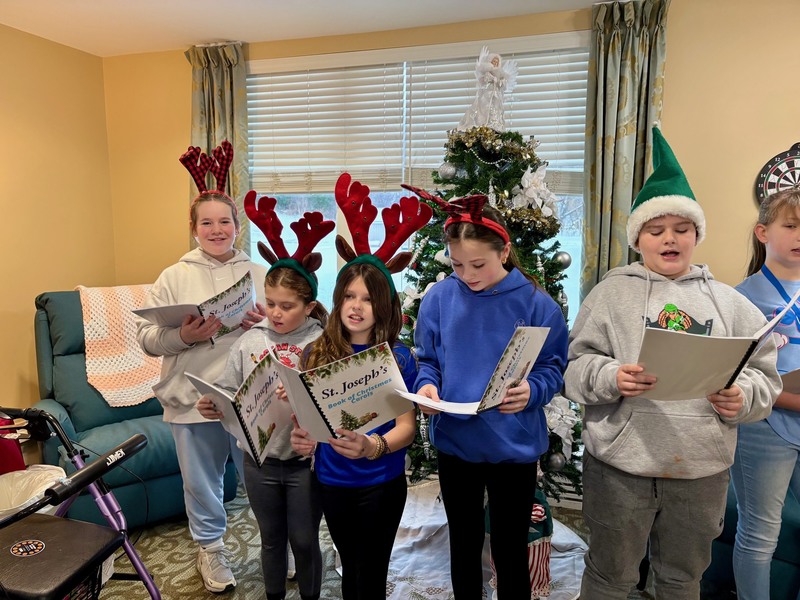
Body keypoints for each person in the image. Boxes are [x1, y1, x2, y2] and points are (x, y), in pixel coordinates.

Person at [562, 127, 782, 599]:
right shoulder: (609, 295)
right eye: (656, 230)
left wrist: (741, 397)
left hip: (700, 469)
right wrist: (611, 376)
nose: (670, 239)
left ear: (696, 235)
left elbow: (766, 379)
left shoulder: (731, 305)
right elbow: (575, 370)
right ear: (637, 237)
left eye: (682, 230)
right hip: (619, 466)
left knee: (682, 579)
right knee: (609, 576)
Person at [405, 185, 569, 600]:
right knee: (461, 542)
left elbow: (553, 367)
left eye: (478, 263)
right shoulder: (439, 298)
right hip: (456, 441)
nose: (468, 274)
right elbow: (429, 359)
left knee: (509, 546)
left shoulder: (538, 305)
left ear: (505, 251)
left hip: (513, 445)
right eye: (458, 265)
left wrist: (531, 391)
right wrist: (427, 385)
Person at [290, 173, 431, 600]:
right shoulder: (316, 352)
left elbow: (406, 427)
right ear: (338, 299)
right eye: (350, 295)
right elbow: (311, 423)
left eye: (368, 298)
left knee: (372, 574)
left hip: (381, 483)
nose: (356, 306)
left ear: (383, 305)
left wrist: (376, 447)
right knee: (351, 568)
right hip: (332, 482)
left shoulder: (399, 357)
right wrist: (304, 439)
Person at [137, 142, 267, 594]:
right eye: (206, 222)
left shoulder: (258, 271)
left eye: (225, 221)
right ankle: (210, 547)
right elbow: (148, 339)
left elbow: (287, 324)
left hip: (250, 393)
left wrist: (264, 321)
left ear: (237, 225)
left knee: (265, 474)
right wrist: (184, 337)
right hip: (192, 393)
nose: (217, 229)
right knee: (202, 481)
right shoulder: (173, 276)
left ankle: (278, 543)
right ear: (193, 228)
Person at [197, 194, 335, 600]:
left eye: (287, 306)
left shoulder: (322, 341)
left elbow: (333, 403)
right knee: (271, 541)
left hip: (304, 464)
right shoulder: (250, 340)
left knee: (305, 541)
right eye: (270, 303)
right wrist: (213, 404)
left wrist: (299, 398)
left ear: (309, 307)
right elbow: (228, 391)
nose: (275, 313)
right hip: (258, 461)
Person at [731, 185, 800, 600]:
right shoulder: (740, 299)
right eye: (790, 225)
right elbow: (732, 377)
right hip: (765, 425)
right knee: (759, 532)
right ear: (763, 232)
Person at [457, 46, 518, 133]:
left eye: (497, 62)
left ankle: (494, 126)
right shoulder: (487, 70)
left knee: (495, 110)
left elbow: (502, 85)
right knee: (484, 109)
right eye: (494, 61)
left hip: (496, 96)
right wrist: (492, 79)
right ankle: (483, 125)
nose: (495, 63)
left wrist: (499, 81)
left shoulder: (501, 73)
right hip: (487, 94)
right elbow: (484, 81)